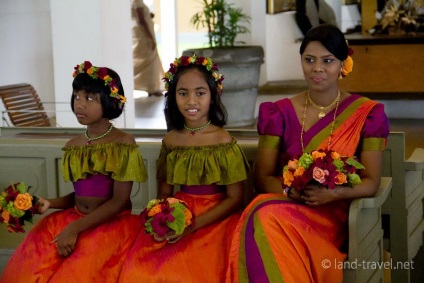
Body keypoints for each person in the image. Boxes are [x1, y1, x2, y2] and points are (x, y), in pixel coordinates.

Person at [226, 24, 389, 282]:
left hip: (333, 214)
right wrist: (293, 191)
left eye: (328, 61)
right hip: (287, 203)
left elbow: (371, 182)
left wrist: (333, 192)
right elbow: (262, 177)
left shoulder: (367, 114)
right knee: (260, 211)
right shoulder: (278, 112)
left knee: (262, 213)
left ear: (343, 64)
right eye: (309, 60)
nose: (317, 69)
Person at [1, 61, 147, 282]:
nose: (80, 104)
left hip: (108, 225)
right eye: (77, 96)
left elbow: (118, 201)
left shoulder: (122, 143)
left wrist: (74, 229)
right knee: (29, 269)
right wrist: (49, 202)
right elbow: (81, 197)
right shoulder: (73, 145)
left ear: (109, 100)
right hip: (74, 219)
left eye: (89, 98)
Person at [117, 54, 250, 283]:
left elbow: (235, 198)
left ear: (213, 95)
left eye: (200, 93)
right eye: (183, 93)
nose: (191, 101)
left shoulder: (222, 139)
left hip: (216, 220)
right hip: (179, 215)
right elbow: (164, 194)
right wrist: (164, 222)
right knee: (142, 271)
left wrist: (193, 226)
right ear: (173, 96)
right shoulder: (171, 141)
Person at [131, 0, 164, 97]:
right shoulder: (137, 1)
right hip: (142, 35)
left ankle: (152, 87)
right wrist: (150, 36)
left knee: (149, 61)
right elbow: (141, 20)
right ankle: (152, 88)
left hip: (138, 33)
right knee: (148, 59)